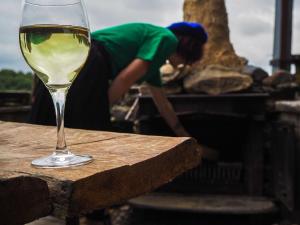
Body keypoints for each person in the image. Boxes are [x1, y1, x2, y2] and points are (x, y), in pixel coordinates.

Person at [29, 22, 208, 136]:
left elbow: (163, 104)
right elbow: (124, 79)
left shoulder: (153, 65)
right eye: (187, 60)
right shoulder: (168, 38)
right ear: (187, 47)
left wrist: (183, 136)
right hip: (91, 57)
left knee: (52, 119)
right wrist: (99, 111)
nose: (183, 65)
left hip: (75, 53)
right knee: (89, 130)